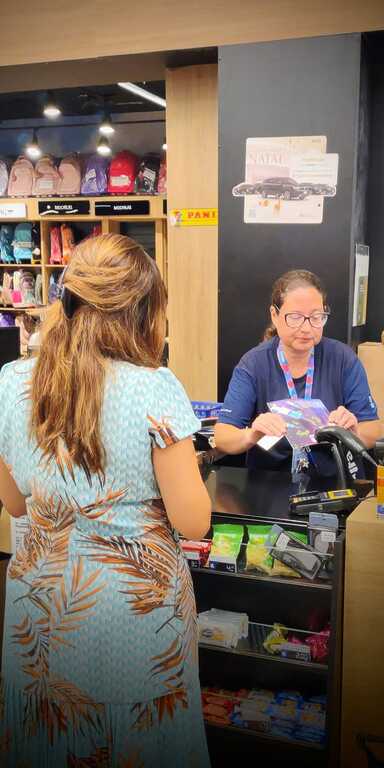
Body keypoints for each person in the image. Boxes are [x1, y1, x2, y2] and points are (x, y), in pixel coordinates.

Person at [0, 234, 211, 767]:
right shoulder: (154, 387)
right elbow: (193, 521)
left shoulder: (12, 382)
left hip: (40, 613)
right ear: (142, 312)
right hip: (131, 615)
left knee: (49, 742)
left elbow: (16, 503)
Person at [215, 269, 380, 471]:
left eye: (316, 317)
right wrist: (252, 434)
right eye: (295, 317)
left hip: (333, 481)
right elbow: (223, 436)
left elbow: (373, 430)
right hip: (270, 481)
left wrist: (353, 431)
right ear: (274, 315)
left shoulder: (343, 359)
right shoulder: (253, 364)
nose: (306, 328)